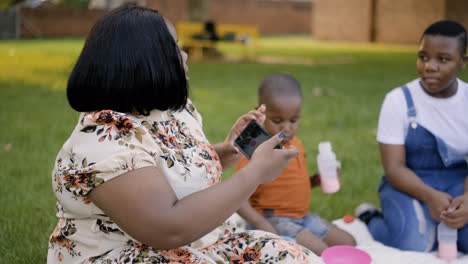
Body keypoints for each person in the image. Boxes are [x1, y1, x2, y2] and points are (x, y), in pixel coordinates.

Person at [47, 5, 323, 264]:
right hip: (131, 253)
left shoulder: (173, 111)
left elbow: (166, 170)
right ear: (146, 62)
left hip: (200, 241)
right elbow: (167, 230)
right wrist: (254, 174)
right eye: (175, 48)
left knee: (290, 255)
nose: (186, 55)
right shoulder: (103, 138)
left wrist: (227, 151)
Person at [355, 20, 468, 253]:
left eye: (443, 59)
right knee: (414, 243)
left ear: (462, 62)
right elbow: (394, 168)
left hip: (460, 183)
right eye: (423, 57)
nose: (429, 66)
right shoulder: (397, 100)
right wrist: (430, 196)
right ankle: (371, 219)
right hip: (408, 183)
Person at [235, 73, 356, 256]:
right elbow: (237, 196)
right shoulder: (255, 147)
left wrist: (314, 181)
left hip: (302, 216)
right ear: (260, 114)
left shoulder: (296, 143)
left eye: (293, 120)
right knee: (320, 252)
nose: (287, 128)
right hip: (270, 218)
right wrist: (261, 224)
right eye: (277, 120)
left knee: (348, 243)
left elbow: (287, 183)